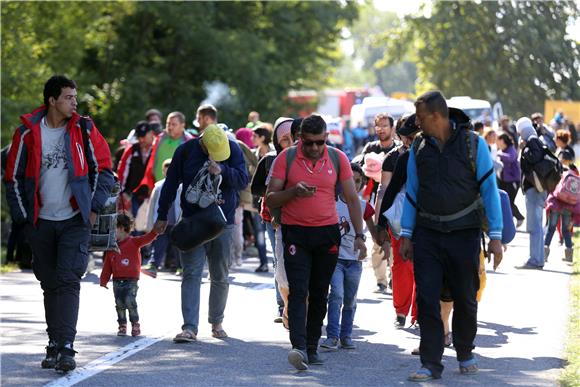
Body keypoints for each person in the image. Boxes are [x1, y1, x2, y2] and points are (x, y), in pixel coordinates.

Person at [4, 75, 114, 372]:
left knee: (68, 280)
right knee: (49, 283)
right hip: (40, 222)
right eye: (68, 97)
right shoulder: (26, 134)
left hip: (74, 220)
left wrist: (92, 208)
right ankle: (53, 343)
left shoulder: (84, 128)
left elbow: (104, 169)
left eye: (75, 97)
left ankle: (66, 346)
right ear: (52, 100)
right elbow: (12, 178)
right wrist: (24, 218)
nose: (74, 103)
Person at [399, 91, 503, 382]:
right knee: (428, 298)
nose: (416, 124)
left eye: (420, 118)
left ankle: (465, 350)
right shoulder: (419, 147)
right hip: (428, 234)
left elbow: (489, 190)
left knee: (466, 298)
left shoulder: (474, 144)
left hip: (464, 234)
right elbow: (412, 192)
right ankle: (430, 362)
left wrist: (495, 236)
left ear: (435, 116)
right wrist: (406, 234)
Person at [266, 114, 367, 371]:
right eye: (309, 142)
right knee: (300, 291)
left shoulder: (338, 158)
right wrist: (293, 192)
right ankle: (298, 347)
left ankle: (312, 347)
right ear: (301, 139)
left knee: (320, 292)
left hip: (327, 234)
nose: (314, 148)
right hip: (296, 233)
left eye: (319, 143)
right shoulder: (286, 158)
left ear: (326, 139)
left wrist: (359, 235)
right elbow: (271, 199)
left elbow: (353, 199)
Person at [153, 123, 248, 342]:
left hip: (222, 222)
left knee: (220, 275)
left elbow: (243, 180)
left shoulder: (232, 149)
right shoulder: (185, 151)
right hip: (192, 222)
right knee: (191, 273)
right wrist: (161, 215)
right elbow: (170, 184)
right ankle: (189, 328)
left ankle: (216, 322)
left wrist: (223, 170)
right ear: (203, 144)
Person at [320, 163, 377, 350]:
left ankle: (346, 335)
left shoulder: (363, 206)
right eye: (350, 180)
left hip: (354, 261)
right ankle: (332, 336)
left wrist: (383, 242)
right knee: (336, 295)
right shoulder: (331, 203)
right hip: (334, 259)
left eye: (359, 181)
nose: (355, 184)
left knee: (350, 300)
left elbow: (373, 229)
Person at [377, 114, 420, 328]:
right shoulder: (399, 158)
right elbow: (388, 190)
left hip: (428, 221)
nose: (408, 142)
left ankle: (419, 315)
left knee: (422, 268)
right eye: (407, 137)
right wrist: (381, 224)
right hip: (400, 221)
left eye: (411, 137)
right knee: (401, 266)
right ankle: (401, 312)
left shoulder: (440, 155)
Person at [251, 117, 295, 323]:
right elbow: (256, 188)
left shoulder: (308, 157)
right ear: (277, 141)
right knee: (279, 260)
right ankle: (282, 305)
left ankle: (302, 305)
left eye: (293, 137)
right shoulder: (269, 159)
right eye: (284, 139)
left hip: (301, 217)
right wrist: (274, 191)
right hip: (273, 218)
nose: (290, 142)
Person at [100, 214, 158, 337]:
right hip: (117, 280)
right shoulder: (112, 248)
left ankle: (135, 323)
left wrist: (155, 231)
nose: (112, 233)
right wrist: (103, 280)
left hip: (131, 280)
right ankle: (122, 325)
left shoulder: (134, 242)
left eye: (113, 229)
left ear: (121, 228)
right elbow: (107, 266)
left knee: (129, 301)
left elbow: (147, 238)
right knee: (119, 303)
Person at [360, 113, 398, 294]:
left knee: (394, 240)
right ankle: (381, 280)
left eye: (385, 125)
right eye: (378, 126)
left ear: (392, 128)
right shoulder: (370, 147)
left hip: (395, 201)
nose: (381, 129)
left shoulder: (398, 149)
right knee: (377, 239)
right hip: (376, 201)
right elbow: (359, 169)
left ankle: (393, 276)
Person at [516, 117, 550, 269]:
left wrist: (524, 149)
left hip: (534, 190)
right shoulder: (537, 140)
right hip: (540, 189)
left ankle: (534, 260)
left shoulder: (531, 142)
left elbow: (532, 160)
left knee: (534, 226)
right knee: (537, 225)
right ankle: (539, 259)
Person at [142, 159, 182, 277]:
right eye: (166, 171)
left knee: (178, 246)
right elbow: (152, 205)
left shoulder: (181, 186)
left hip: (177, 222)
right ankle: (153, 265)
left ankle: (181, 267)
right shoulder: (158, 186)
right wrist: (149, 224)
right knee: (159, 244)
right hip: (161, 222)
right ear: (163, 172)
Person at [138, 111, 193, 196]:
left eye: (174, 124)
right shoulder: (160, 138)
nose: (170, 127)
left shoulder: (190, 142)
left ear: (182, 125)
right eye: (168, 124)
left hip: (178, 193)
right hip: (157, 188)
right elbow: (152, 163)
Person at [544, 149, 578, 263]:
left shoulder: (557, 169)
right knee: (566, 230)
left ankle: (544, 253)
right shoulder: (575, 172)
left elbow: (550, 185)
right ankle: (569, 255)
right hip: (569, 206)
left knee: (551, 228)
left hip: (556, 203)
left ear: (562, 159)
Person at [116, 121, 155, 216]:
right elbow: (122, 171)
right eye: (139, 137)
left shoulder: (157, 148)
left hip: (152, 194)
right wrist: (122, 192)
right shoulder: (132, 149)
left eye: (144, 136)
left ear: (151, 134)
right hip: (133, 195)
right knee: (135, 226)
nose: (141, 139)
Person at [496, 132, 525, 227]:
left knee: (509, 202)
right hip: (503, 180)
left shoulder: (510, 149)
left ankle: (519, 217)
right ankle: (509, 221)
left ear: (503, 141)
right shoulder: (501, 150)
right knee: (504, 201)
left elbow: (511, 158)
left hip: (513, 181)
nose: (497, 142)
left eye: (499, 140)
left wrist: (499, 154)